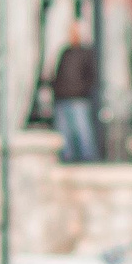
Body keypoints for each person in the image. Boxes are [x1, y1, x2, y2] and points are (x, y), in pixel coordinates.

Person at [49, 24, 100, 164]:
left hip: (79, 99)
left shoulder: (85, 52)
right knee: (64, 135)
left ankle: (88, 161)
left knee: (83, 133)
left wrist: (81, 89)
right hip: (62, 99)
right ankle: (67, 160)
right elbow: (57, 73)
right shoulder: (65, 52)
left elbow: (91, 76)